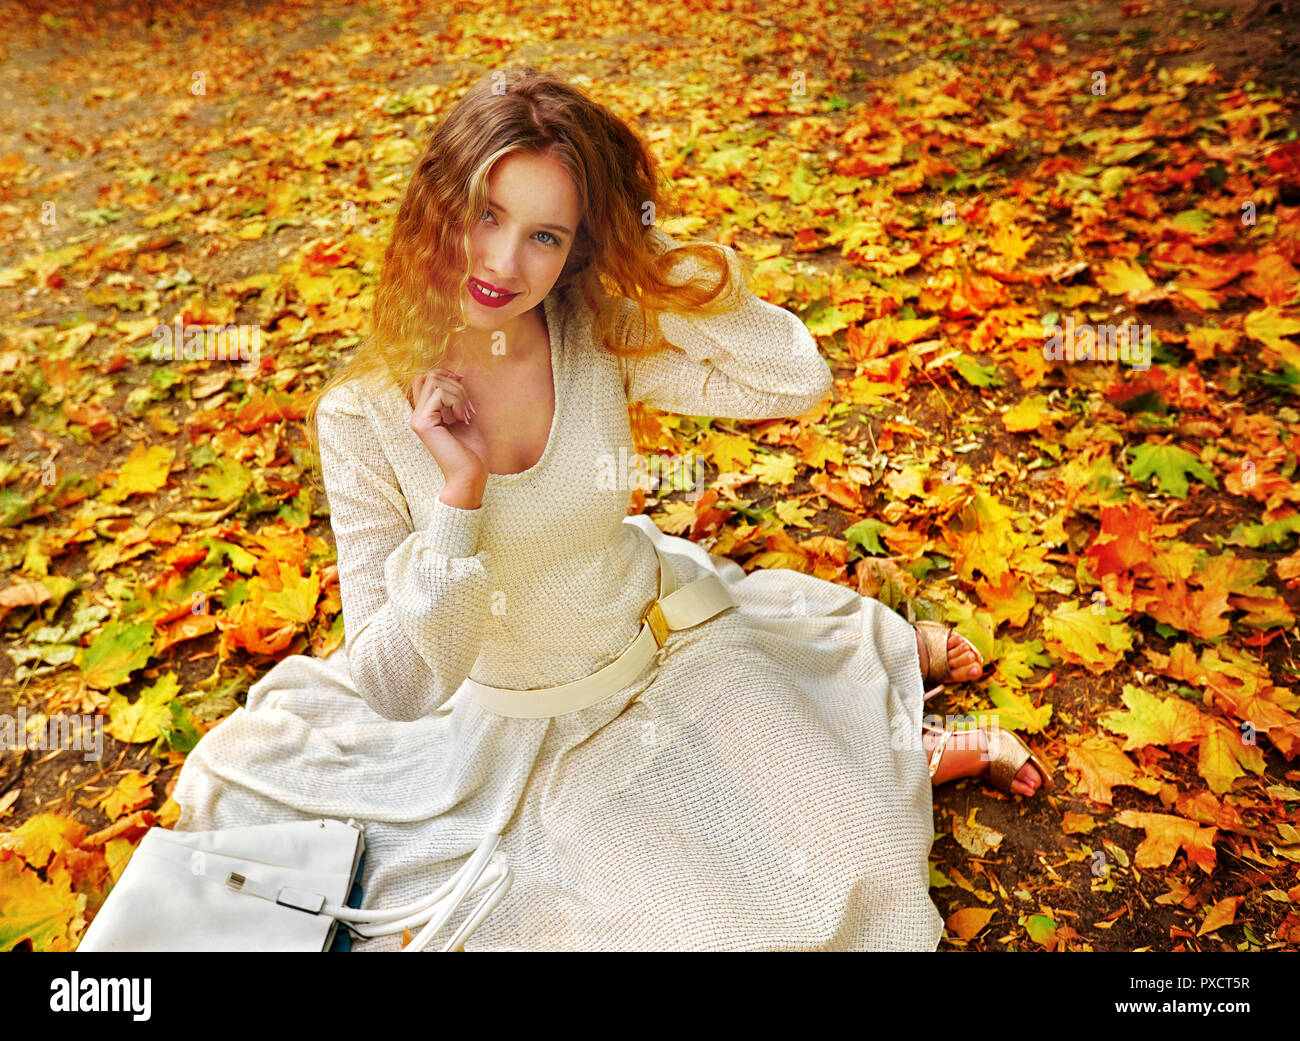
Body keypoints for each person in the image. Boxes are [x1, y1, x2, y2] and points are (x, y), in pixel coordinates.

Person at [171, 66, 1048, 951]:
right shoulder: (360, 416)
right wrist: (458, 498)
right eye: (487, 215)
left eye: (546, 236)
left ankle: (889, 741)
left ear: (577, 248)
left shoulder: (588, 333)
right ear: (438, 205)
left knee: (862, 862)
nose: (505, 265)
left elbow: (794, 378)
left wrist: (650, 254)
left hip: (669, 645)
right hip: (527, 731)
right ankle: (861, 747)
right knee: (716, 929)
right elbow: (397, 690)